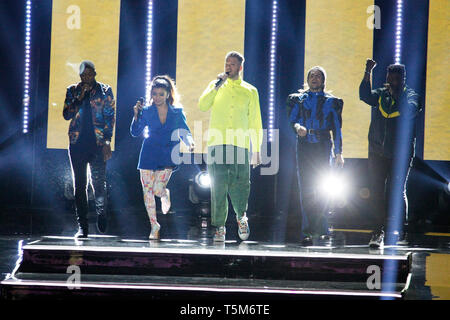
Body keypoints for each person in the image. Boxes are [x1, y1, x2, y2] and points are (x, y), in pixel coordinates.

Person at [198, 51, 263, 242]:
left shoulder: (250, 90)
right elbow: (202, 105)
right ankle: (219, 227)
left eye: (232, 64)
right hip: (217, 143)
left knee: (241, 184)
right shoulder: (216, 85)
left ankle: (241, 217)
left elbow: (255, 121)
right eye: (227, 63)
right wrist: (216, 85)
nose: (228, 67)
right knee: (217, 187)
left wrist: (257, 149)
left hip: (240, 144)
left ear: (240, 67)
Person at [360, 59, 421, 248]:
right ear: (386, 77)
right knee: (376, 191)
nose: (393, 80)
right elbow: (364, 96)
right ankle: (377, 232)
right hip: (377, 151)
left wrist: (397, 94)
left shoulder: (411, 95)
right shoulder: (380, 94)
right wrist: (368, 72)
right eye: (390, 77)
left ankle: (399, 229)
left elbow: (410, 109)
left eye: (397, 77)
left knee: (396, 191)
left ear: (403, 79)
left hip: (400, 154)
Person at [131, 75, 194, 240]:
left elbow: (184, 131)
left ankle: (165, 194)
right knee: (147, 192)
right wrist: (136, 115)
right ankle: (154, 225)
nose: (157, 97)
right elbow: (135, 132)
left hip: (168, 155)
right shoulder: (146, 111)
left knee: (158, 189)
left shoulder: (177, 112)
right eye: (154, 94)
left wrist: (190, 142)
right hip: (148, 154)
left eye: (161, 94)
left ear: (168, 94)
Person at [287, 66, 344, 246]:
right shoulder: (299, 100)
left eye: (318, 76)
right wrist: (298, 128)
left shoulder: (331, 102)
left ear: (323, 80)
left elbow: (336, 128)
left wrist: (338, 153)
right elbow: (292, 121)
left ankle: (322, 228)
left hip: (323, 146)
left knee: (323, 188)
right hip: (304, 146)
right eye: (311, 76)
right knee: (306, 189)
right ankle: (308, 231)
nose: (314, 78)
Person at [63, 60, 115, 238]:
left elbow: (110, 117)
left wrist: (108, 141)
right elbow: (66, 114)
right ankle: (82, 226)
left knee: (98, 183)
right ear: (79, 76)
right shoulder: (73, 90)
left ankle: (101, 213)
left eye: (89, 74)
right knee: (80, 185)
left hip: (98, 144)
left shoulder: (105, 91)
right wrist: (79, 97)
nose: (87, 77)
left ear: (95, 73)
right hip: (77, 143)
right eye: (83, 74)